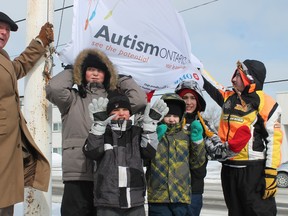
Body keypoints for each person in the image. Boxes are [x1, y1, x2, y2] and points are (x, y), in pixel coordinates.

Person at [45, 48, 147, 216]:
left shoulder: (113, 102)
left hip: (107, 173)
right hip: (78, 171)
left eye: (100, 70)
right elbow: (54, 88)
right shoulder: (72, 99)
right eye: (90, 69)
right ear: (83, 72)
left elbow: (139, 100)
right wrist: (73, 69)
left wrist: (119, 78)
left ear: (106, 75)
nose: (95, 74)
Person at [201, 60, 283, 216]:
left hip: (253, 170)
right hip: (228, 169)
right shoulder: (228, 98)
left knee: (259, 212)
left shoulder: (267, 103)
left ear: (249, 78)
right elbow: (210, 83)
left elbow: (274, 141)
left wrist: (271, 172)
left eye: (238, 75)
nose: (232, 79)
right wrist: (195, 67)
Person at [0, 11, 53, 215]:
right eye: (0, 27)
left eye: (7, 30)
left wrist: (39, 43)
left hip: (7, 149)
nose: (4, 32)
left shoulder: (3, 59)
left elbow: (18, 67)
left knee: (5, 204)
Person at [82, 90, 168, 216]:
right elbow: (91, 152)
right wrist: (98, 126)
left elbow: (149, 152)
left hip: (135, 198)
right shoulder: (103, 133)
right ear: (108, 114)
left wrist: (150, 126)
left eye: (125, 109)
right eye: (115, 111)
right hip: (107, 199)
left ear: (130, 113)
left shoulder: (137, 132)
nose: (121, 113)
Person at [145, 93, 207, 216]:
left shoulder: (186, 136)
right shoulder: (152, 134)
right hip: (158, 198)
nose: (171, 119)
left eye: (175, 116)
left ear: (181, 116)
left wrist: (197, 142)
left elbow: (196, 163)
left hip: (181, 197)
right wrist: (152, 139)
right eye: (168, 116)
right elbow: (145, 160)